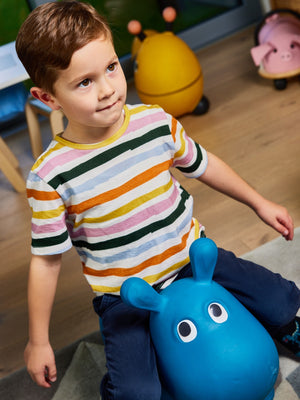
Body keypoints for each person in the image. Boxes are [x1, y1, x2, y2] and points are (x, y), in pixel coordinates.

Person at [16, 1, 300, 398]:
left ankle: (285, 328)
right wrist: (39, 340)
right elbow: (46, 261)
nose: (108, 89)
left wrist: (259, 202)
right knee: (138, 392)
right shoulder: (50, 175)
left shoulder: (154, 122)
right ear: (48, 98)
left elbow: (205, 165)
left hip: (193, 261)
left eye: (112, 67)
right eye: (84, 82)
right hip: (126, 296)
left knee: (279, 298)